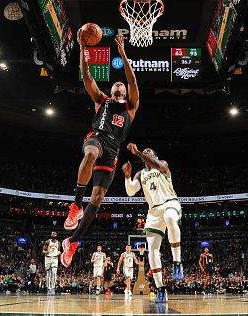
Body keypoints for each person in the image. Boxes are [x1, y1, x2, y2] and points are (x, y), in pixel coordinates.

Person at [61, 33, 139, 268]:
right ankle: (76, 205)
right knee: (90, 154)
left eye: (121, 84)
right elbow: (86, 77)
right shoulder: (101, 100)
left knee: (98, 198)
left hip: (113, 150)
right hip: (97, 137)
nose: (119, 84)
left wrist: (123, 54)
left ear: (124, 91)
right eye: (115, 83)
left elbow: (133, 82)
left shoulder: (130, 106)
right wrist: (83, 48)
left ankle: (72, 242)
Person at [122, 145, 183, 304]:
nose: (146, 153)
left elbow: (157, 163)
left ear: (154, 156)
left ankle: (177, 263)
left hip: (170, 202)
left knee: (170, 217)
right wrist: (127, 176)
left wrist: (139, 153)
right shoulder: (140, 174)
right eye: (145, 152)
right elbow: (130, 192)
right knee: (152, 249)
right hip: (154, 211)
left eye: (149, 152)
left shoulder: (162, 164)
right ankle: (160, 288)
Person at [42, 231, 60, 295]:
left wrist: (59, 253)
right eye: (52, 234)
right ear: (51, 235)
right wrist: (45, 252)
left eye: (55, 234)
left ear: (56, 235)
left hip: (55, 258)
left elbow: (58, 251)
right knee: (48, 273)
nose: (53, 235)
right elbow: (43, 250)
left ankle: (53, 288)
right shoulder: (48, 242)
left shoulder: (58, 243)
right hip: (48, 258)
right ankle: (48, 288)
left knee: (54, 273)